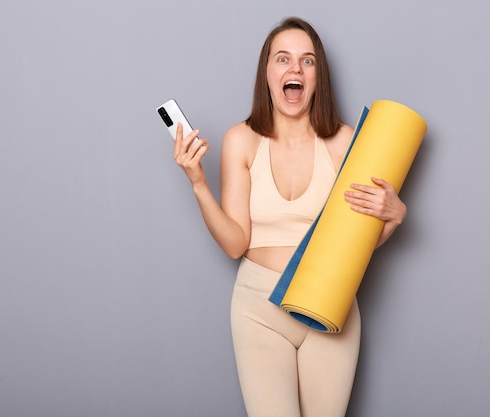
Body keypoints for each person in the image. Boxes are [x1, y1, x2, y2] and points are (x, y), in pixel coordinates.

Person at [173, 17, 407, 417]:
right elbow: (235, 244)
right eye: (283, 59)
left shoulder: (345, 142)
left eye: (307, 61)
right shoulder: (241, 140)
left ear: (318, 77)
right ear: (267, 72)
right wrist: (198, 184)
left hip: (329, 302)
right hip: (258, 310)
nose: (294, 69)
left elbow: (359, 239)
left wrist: (394, 216)